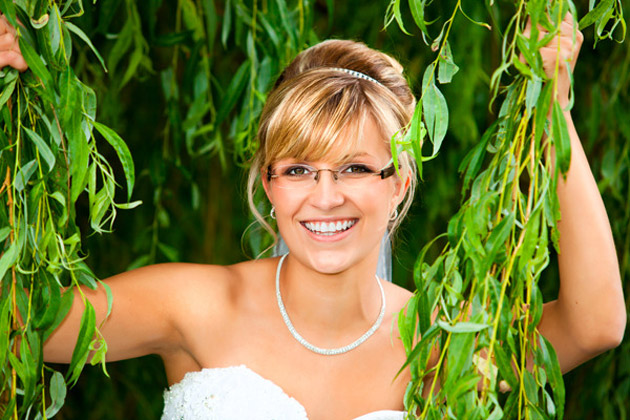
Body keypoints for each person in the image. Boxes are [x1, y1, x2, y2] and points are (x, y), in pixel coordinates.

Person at [0, 12, 625, 420]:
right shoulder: (196, 304)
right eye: (297, 169)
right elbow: (24, 328)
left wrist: (552, 110)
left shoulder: (438, 341)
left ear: (399, 182)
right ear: (268, 184)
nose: (325, 197)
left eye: (355, 168)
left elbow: (594, 325)